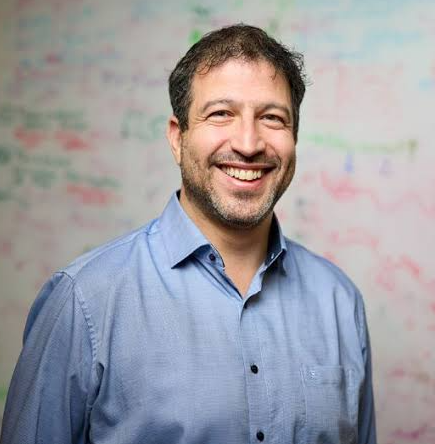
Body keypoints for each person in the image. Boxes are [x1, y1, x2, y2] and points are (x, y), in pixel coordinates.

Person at [0, 24, 376, 444]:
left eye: (272, 118)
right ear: (178, 138)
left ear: (294, 138)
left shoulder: (339, 301)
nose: (248, 144)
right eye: (221, 114)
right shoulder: (83, 300)